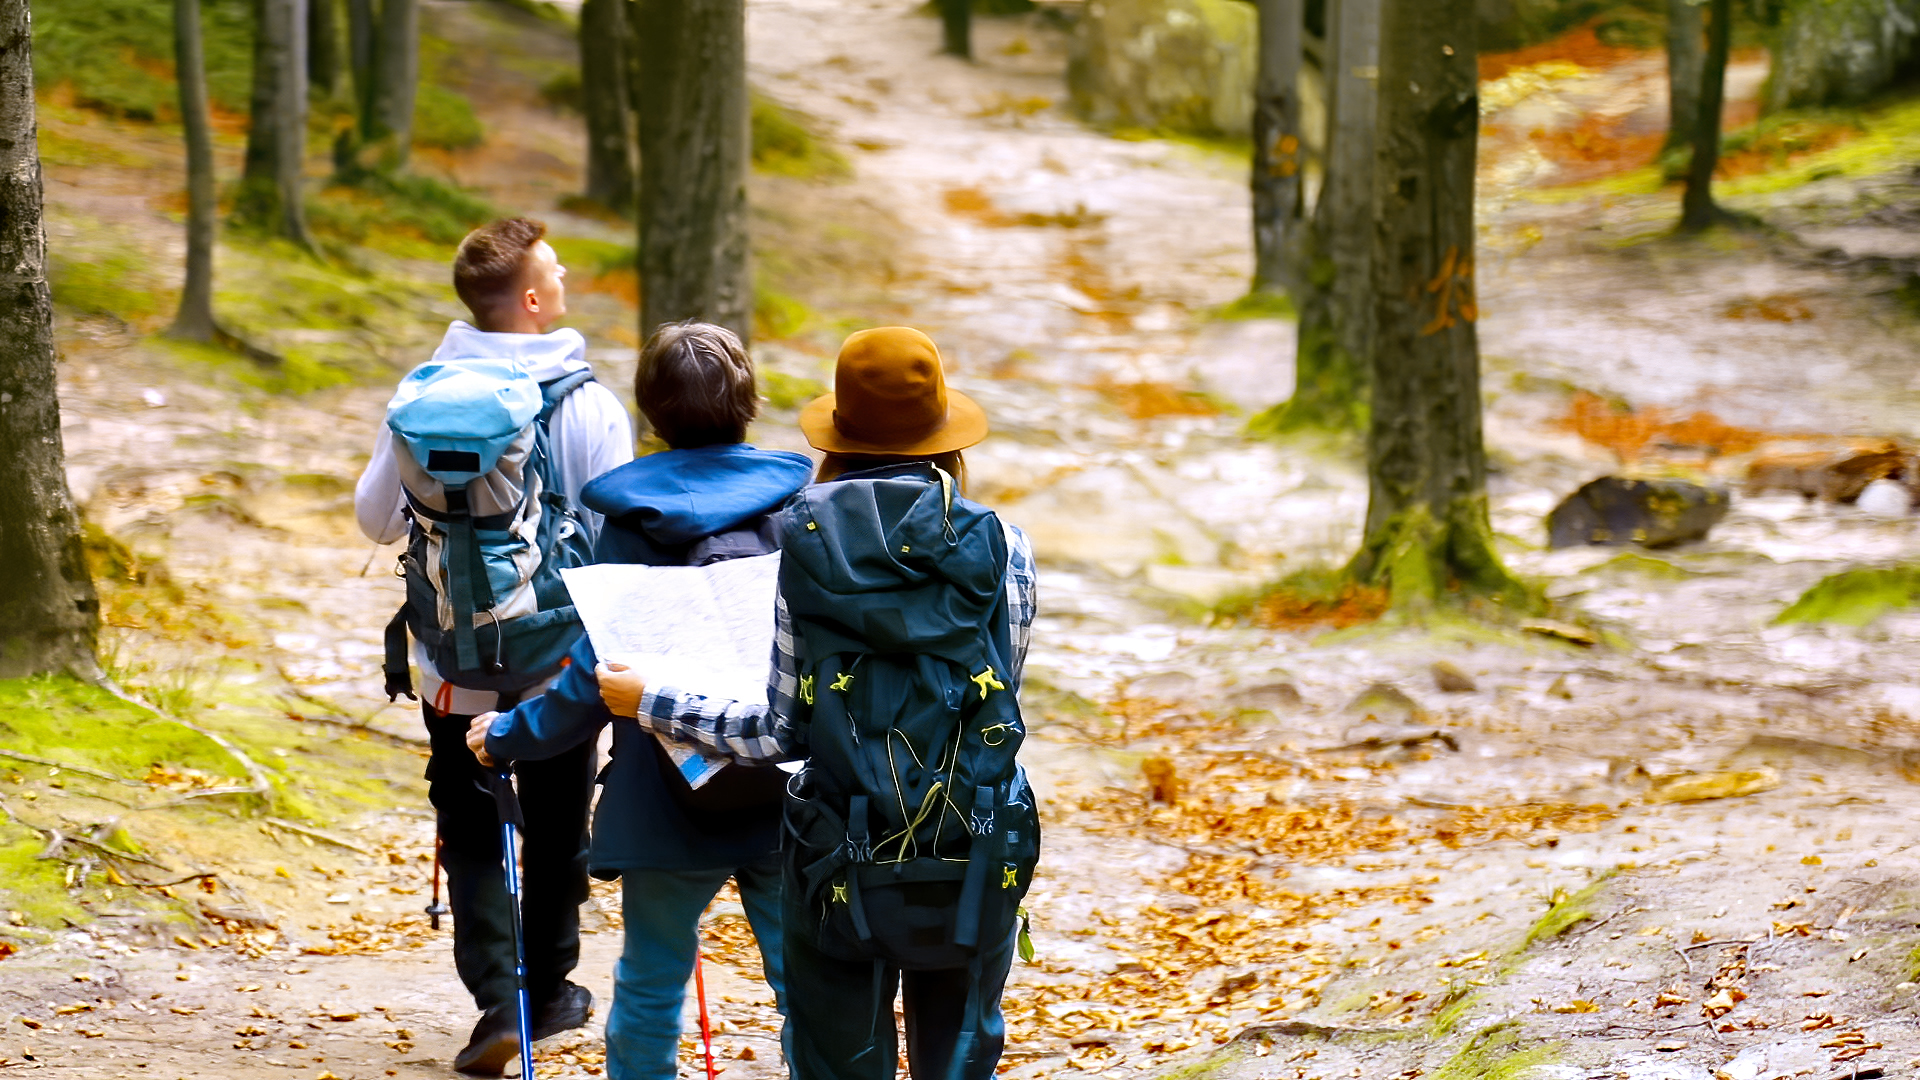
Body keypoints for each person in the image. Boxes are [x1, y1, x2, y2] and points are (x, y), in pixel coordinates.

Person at [595, 327, 1039, 1080]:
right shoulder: (1005, 547)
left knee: (840, 1060)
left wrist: (654, 701)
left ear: (838, 439)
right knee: (959, 1057)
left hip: (838, 845)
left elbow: (778, 731)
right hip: (976, 842)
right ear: (946, 441)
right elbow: (998, 700)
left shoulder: (805, 546)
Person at [463, 321, 811, 1080]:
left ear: (650, 412)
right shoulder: (796, 510)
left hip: (665, 794)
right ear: (749, 402)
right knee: (806, 988)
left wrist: (507, 737)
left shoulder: (625, 524)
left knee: (652, 984)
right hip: (784, 783)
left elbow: (594, 675)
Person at [353, 217, 633, 1075]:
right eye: (556, 268)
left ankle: (494, 1000)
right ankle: (548, 989)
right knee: (556, 825)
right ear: (536, 299)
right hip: (556, 666)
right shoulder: (584, 401)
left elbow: (374, 517)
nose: (566, 275)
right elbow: (615, 530)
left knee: (470, 821)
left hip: (451, 662)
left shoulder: (420, 396)